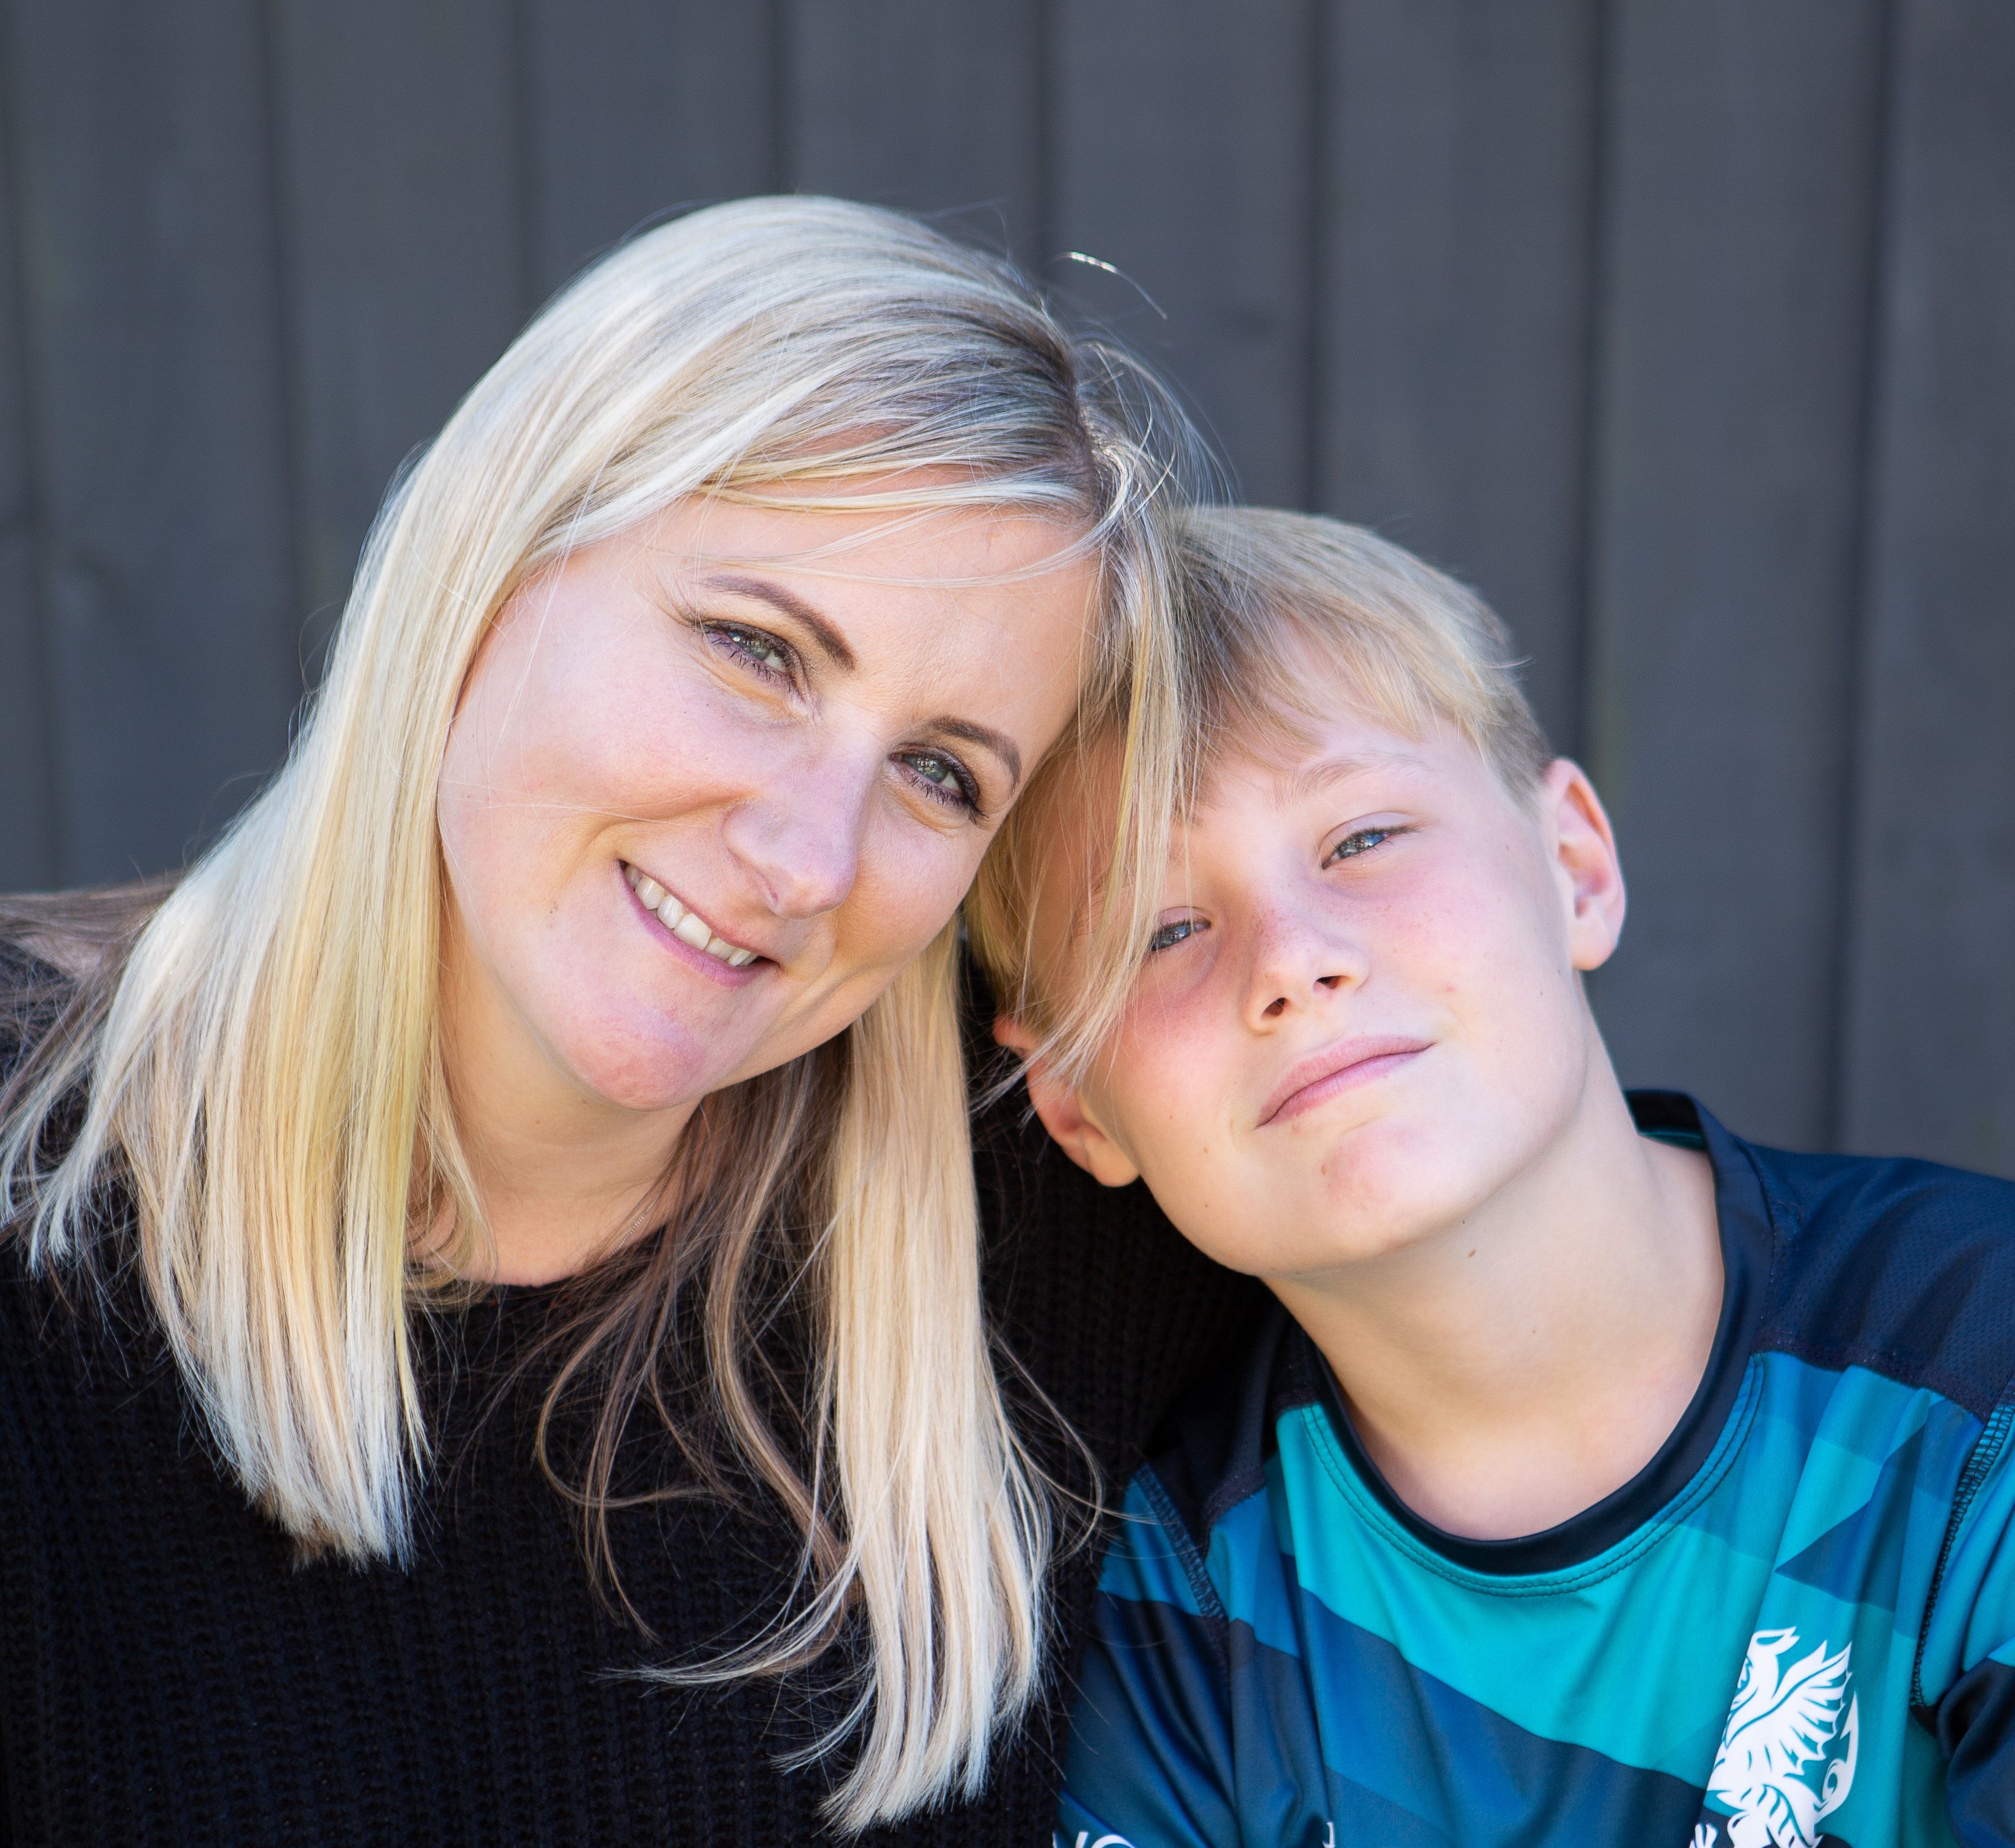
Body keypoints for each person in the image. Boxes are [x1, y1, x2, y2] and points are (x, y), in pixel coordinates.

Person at [0, 198, 1266, 1845]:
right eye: (757, 650)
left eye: (939, 774)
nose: (806, 858)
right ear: (494, 559)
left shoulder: (1032, 1231)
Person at [972, 506, 2015, 1847]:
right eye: (1164, 928)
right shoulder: (1180, 1606)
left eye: (1359, 839)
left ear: (1573, 865)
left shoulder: (1971, 1373)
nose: (1292, 958)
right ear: (1071, 1104)